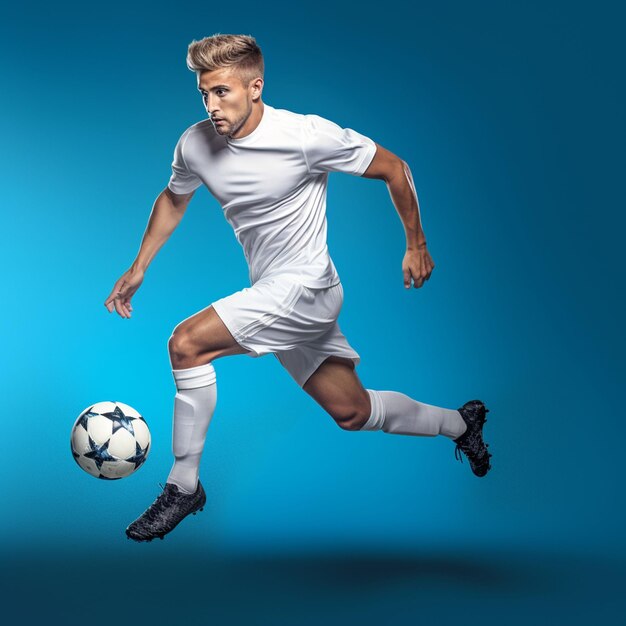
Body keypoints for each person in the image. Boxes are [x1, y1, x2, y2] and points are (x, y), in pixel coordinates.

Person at [104, 34, 492, 543]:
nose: (212, 105)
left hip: (307, 286)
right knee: (353, 412)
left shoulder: (305, 136)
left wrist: (416, 243)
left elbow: (395, 169)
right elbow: (174, 200)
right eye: (204, 94)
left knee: (185, 343)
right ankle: (461, 424)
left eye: (222, 92)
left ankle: (184, 486)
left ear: (255, 86)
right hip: (275, 294)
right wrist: (140, 267)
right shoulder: (195, 142)